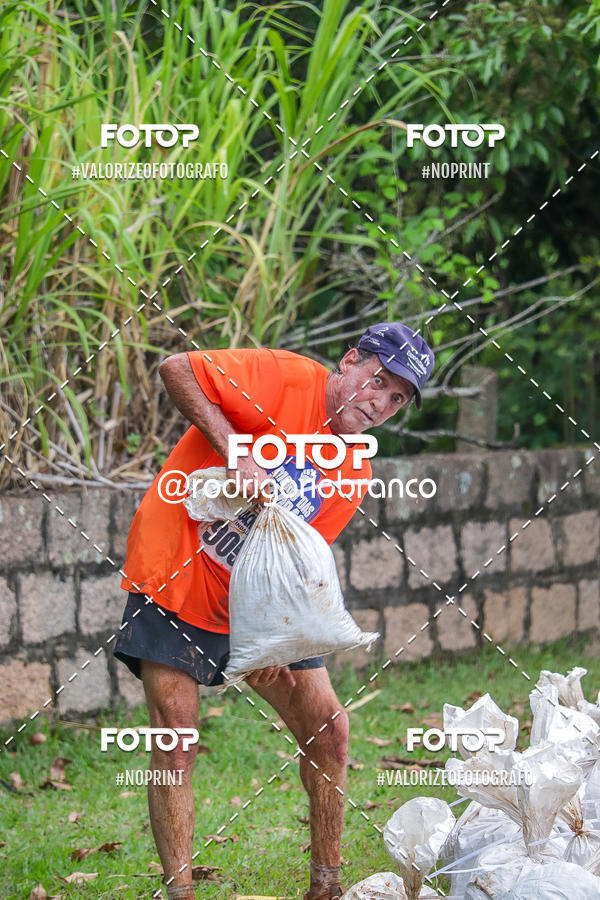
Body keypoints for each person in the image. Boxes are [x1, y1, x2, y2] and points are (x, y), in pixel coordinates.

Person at [113, 322, 435, 900]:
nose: (380, 403)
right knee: (176, 738)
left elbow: (293, 564)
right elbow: (177, 369)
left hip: (255, 595)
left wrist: (273, 638)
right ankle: (179, 892)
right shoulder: (286, 379)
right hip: (177, 571)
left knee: (330, 729)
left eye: (397, 398)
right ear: (350, 361)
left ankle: (326, 886)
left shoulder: (353, 470)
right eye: (378, 380)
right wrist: (235, 449)